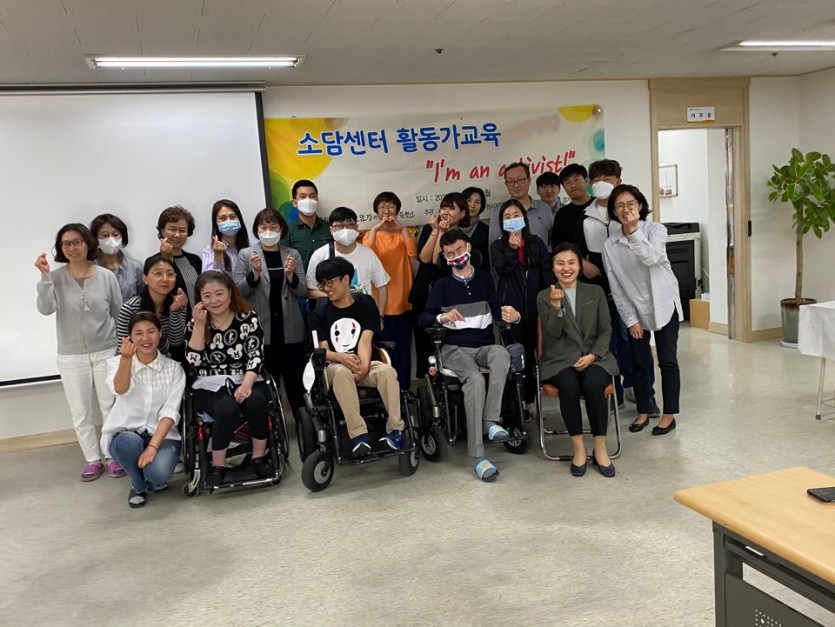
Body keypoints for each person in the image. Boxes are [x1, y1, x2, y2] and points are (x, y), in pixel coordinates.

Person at [419, 229, 522, 482]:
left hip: (484, 346)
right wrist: (442, 317)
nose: (456, 256)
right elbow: (424, 318)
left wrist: (513, 315)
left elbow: (498, 310)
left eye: (459, 250)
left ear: (468, 247)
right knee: (474, 380)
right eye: (449, 254)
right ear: (445, 257)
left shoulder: (485, 279)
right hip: (454, 349)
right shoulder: (442, 286)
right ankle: (478, 457)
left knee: (502, 355)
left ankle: (490, 421)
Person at [35, 223, 125, 481]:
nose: (72, 248)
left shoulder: (106, 276)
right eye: (66, 244)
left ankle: (112, 455)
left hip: (106, 350)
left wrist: (122, 350)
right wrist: (44, 277)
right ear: (61, 248)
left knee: (110, 406)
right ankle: (92, 459)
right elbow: (45, 309)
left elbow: (118, 313)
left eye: (77, 242)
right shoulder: (56, 277)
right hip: (71, 355)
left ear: (87, 243)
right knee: (81, 410)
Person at [603, 184, 682, 436]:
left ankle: (669, 415)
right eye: (620, 205)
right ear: (613, 211)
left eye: (630, 204)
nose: (625, 209)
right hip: (635, 309)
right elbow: (616, 287)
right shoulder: (610, 245)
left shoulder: (656, 230)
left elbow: (651, 258)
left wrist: (634, 230)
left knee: (667, 360)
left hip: (664, 304)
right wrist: (630, 319)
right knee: (639, 362)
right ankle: (644, 410)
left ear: (640, 205)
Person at [581, 160, 658, 412]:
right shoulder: (584, 216)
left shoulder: (627, 215)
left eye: (606, 178)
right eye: (596, 179)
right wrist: (582, 263)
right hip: (598, 290)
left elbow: (646, 252)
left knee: (633, 342)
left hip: (630, 291)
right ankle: (615, 393)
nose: (601, 183)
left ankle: (644, 393)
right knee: (607, 343)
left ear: (618, 181)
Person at [537, 243, 618, 477]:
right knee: (569, 386)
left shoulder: (595, 292)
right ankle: (579, 448)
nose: (566, 268)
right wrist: (556, 307)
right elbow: (552, 334)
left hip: (595, 356)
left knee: (593, 384)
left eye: (571, 262)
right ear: (553, 268)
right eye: (560, 263)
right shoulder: (543, 296)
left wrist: (593, 355)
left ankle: (600, 447)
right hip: (560, 359)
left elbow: (605, 329)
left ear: (580, 266)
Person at [310, 258, 406, 454]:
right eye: (322, 284)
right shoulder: (319, 314)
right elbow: (323, 350)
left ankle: (396, 430)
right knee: (341, 373)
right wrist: (341, 358)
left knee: (387, 371)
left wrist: (363, 367)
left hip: (363, 361)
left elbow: (365, 341)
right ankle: (359, 435)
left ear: (345, 279)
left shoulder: (367, 309)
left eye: (330, 282)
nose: (326, 289)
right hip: (334, 366)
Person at [185, 271, 271, 488]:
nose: (214, 300)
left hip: (247, 376)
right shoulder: (196, 323)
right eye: (207, 296)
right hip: (209, 382)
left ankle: (259, 458)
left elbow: (256, 355)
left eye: (219, 293)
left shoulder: (248, 318)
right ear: (200, 299)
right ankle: (218, 466)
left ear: (231, 293)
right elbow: (193, 360)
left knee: (256, 401)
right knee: (226, 407)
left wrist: (247, 384)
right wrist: (199, 325)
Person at [102, 312, 186, 508]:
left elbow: (170, 412)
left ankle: (149, 480)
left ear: (160, 333)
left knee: (159, 473)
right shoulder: (116, 363)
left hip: (162, 436)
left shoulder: (174, 369)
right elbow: (120, 389)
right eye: (138, 333)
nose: (145, 338)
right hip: (127, 434)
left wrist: (152, 447)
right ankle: (138, 485)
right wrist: (126, 359)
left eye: (151, 332)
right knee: (127, 443)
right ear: (130, 337)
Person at [234, 209, 307, 416]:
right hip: (261, 331)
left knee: (296, 385)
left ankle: (303, 424)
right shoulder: (246, 254)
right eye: (263, 227)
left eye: (273, 227)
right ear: (256, 230)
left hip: (290, 330)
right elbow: (237, 292)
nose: (268, 231)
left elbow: (302, 291)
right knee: (267, 387)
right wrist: (255, 274)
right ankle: (271, 426)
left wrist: (291, 275)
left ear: (281, 230)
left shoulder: (292, 254)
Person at [491, 199, 553, 407]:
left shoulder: (536, 243)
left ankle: (532, 401)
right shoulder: (498, 246)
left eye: (516, 215)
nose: (512, 220)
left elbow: (546, 273)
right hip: (511, 311)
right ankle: (518, 403)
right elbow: (502, 269)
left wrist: (547, 303)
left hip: (536, 310)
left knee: (535, 356)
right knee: (516, 357)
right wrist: (511, 248)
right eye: (507, 217)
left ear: (524, 218)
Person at [409, 193, 470, 378]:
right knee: (423, 338)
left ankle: (446, 379)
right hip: (424, 291)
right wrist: (436, 231)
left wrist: (443, 232)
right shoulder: (430, 229)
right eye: (443, 207)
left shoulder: (460, 238)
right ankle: (427, 381)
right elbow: (424, 258)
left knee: (444, 339)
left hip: (446, 293)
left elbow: (438, 261)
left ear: (462, 213)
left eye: (451, 208)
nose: (445, 212)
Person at [363, 192, 418, 390]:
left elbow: (413, 253)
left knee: (403, 348)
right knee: (384, 350)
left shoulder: (404, 233)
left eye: (391, 207)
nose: (386, 211)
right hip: (381, 302)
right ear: (376, 212)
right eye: (382, 207)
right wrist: (376, 228)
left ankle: (404, 389)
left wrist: (402, 229)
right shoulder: (371, 234)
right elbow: (367, 252)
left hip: (403, 299)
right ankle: (386, 390)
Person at [305, 207, 389, 318]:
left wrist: (380, 316)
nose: (345, 229)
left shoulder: (368, 254)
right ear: (331, 229)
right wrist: (339, 297)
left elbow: (382, 286)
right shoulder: (320, 255)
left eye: (349, 224)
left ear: (356, 227)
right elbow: (311, 291)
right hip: (332, 316)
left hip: (363, 314)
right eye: (339, 226)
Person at [116, 255, 188, 359]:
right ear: (145, 279)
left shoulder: (178, 303)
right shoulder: (130, 308)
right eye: (158, 273)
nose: (165, 279)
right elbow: (124, 347)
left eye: (170, 274)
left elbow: (176, 342)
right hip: (133, 360)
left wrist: (174, 311)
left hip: (164, 359)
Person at [488, 162, 554, 255]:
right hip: (511, 263)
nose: (516, 185)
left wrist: (546, 257)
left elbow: (553, 239)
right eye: (510, 181)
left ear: (529, 180)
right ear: (506, 184)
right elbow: (493, 247)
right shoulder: (499, 212)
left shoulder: (544, 208)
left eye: (520, 180)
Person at [153, 205, 202, 307]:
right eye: (172, 229)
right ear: (162, 231)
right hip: (170, 316)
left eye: (182, 230)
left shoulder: (195, 260)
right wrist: (167, 258)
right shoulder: (153, 262)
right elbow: (167, 290)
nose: (177, 235)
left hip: (196, 315)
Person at [90, 213, 143, 302]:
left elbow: (142, 298)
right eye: (105, 235)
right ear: (96, 240)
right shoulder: (89, 269)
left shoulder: (135, 268)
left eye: (115, 235)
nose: (111, 240)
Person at [280, 179, 331, 270]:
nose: (308, 200)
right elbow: (284, 262)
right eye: (303, 197)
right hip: (299, 278)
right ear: (295, 203)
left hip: (327, 278)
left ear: (317, 200)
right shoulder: (287, 231)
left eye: (312, 196)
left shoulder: (329, 228)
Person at [201, 199, 251, 275]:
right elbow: (209, 279)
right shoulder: (209, 251)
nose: (228, 221)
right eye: (223, 218)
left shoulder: (248, 249)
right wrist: (218, 256)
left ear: (239, 219)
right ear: (216, 223)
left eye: (232, 217)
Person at [551, 163, 594, 248]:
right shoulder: (562, 214)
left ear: (586, 181)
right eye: (567, 182)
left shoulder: (600, 206)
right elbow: (558, 246)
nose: (573, 185)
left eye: (576, 180)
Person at [461, 186, 491, 271]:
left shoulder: (486, 230)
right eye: (469, 201)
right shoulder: (453, 227)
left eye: (477, 202)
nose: (472, 205)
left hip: (480, 275)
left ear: (482, 206)